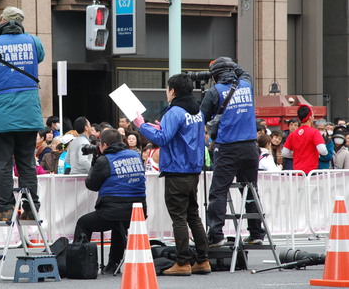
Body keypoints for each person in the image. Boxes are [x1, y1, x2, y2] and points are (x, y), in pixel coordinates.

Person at [0, 6, 45, 222]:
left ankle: (5, 209)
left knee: (2, 164)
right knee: (27, 163)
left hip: (1, 115)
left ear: (2, 20)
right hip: (29, 112)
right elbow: (38, 58)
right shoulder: (34, 41)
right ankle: (31, 208)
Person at [134, 73, 210, 276]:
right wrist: (162, 127)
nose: (167, 93)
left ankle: (183, 262)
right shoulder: (197, 111)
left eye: (168, 89)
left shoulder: (174, 112)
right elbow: (180, 135)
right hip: (193, 170)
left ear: (173, 91)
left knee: (179, 218)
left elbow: (162, 138)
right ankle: (203, 260)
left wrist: (141, 124)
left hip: (177, 171)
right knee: (193, 216)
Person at [200, 56, 266, 247]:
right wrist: (229, 64)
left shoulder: (214, 92)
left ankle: (216, 235)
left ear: (215, 76)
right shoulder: (246, 85)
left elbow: (201, 117)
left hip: (228, 148)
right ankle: (256, 233)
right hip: (250, 147)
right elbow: (243, 72)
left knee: (219, 191)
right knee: (250, 189)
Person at [72, 129, 146, 274]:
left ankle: (80, 264)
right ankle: (113, 263)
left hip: (112, 212)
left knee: (83, 222)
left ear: (104, 145)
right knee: (119, 224)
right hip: (138, 212)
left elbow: (91, 185)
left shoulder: (105, 160)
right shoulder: (135, 155)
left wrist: (96, 162)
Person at [282, 105, 328, 174]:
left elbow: (284, 153)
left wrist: (296, 154)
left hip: (297, 172)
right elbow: (323, 151)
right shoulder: (315, 132)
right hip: (311, 172)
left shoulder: (292, 134)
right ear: (310, 117)